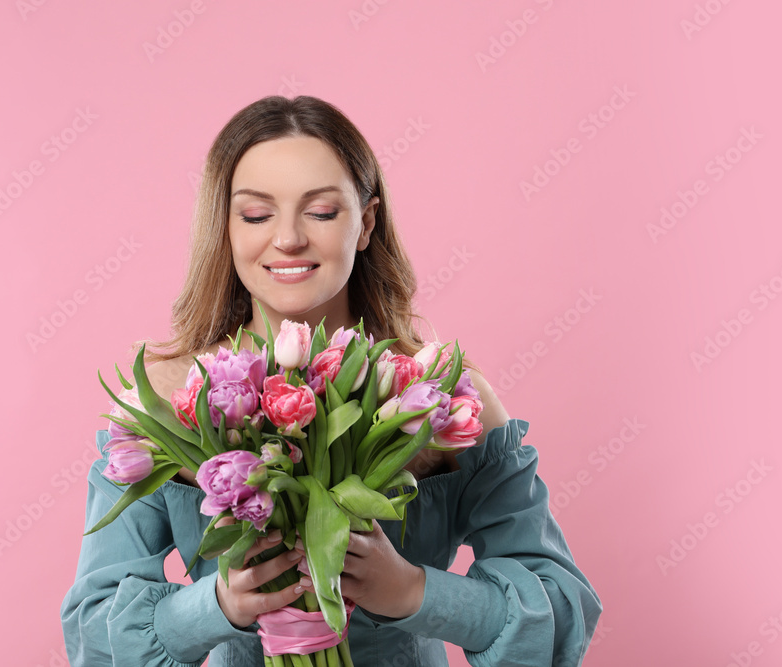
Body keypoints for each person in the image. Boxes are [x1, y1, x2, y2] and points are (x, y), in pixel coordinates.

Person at [60, 95, 603, 666]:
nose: (288, 239)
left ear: (366, 223)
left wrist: (413, 592)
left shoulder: (440, 394)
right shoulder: (165, 398)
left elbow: (561, 617)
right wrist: (217, 605)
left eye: (320, 212)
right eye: (255, 215)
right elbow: (92, 633)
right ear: (225, 228)